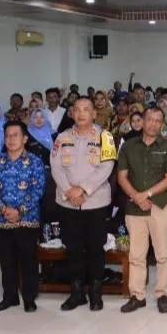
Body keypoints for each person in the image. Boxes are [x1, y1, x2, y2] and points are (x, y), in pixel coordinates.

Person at [51, 97, 118, 312]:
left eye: (86, 109)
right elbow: (55, 167)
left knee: (96, 248)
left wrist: (83, 189)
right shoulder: (62, 137)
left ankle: (95, 293)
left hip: (95, 202)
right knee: (73, 248)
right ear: (71, 113)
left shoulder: (106, 137)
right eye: (77, 109)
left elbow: (107, 167)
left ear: (94, 114)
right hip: (68, 202)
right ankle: (76, 292)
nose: (81, 114)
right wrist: (69, 191)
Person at [115, 105, 167, 315]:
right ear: (142, 121)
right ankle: (137, 295)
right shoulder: (128, 146)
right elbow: (122, 177)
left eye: (157, 121)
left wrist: (147, 195)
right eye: (149, 119)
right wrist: (137, 196)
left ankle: (162, 294)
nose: (153, 124)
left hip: (159, 205)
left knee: (163, 254)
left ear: (162, 124)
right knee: (136, 254)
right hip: (134, 207)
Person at [0, 121, 46, 312]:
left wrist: (20, 211)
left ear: (25, 138)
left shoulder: (35, 162)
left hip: (27, 219)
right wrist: (4, 209)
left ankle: (29, 298)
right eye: (8, 136)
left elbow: (38, 190)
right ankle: (9, 297)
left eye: (15, 135)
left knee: (28, 260)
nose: (11, 139)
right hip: (2, 220)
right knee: (6, 261)